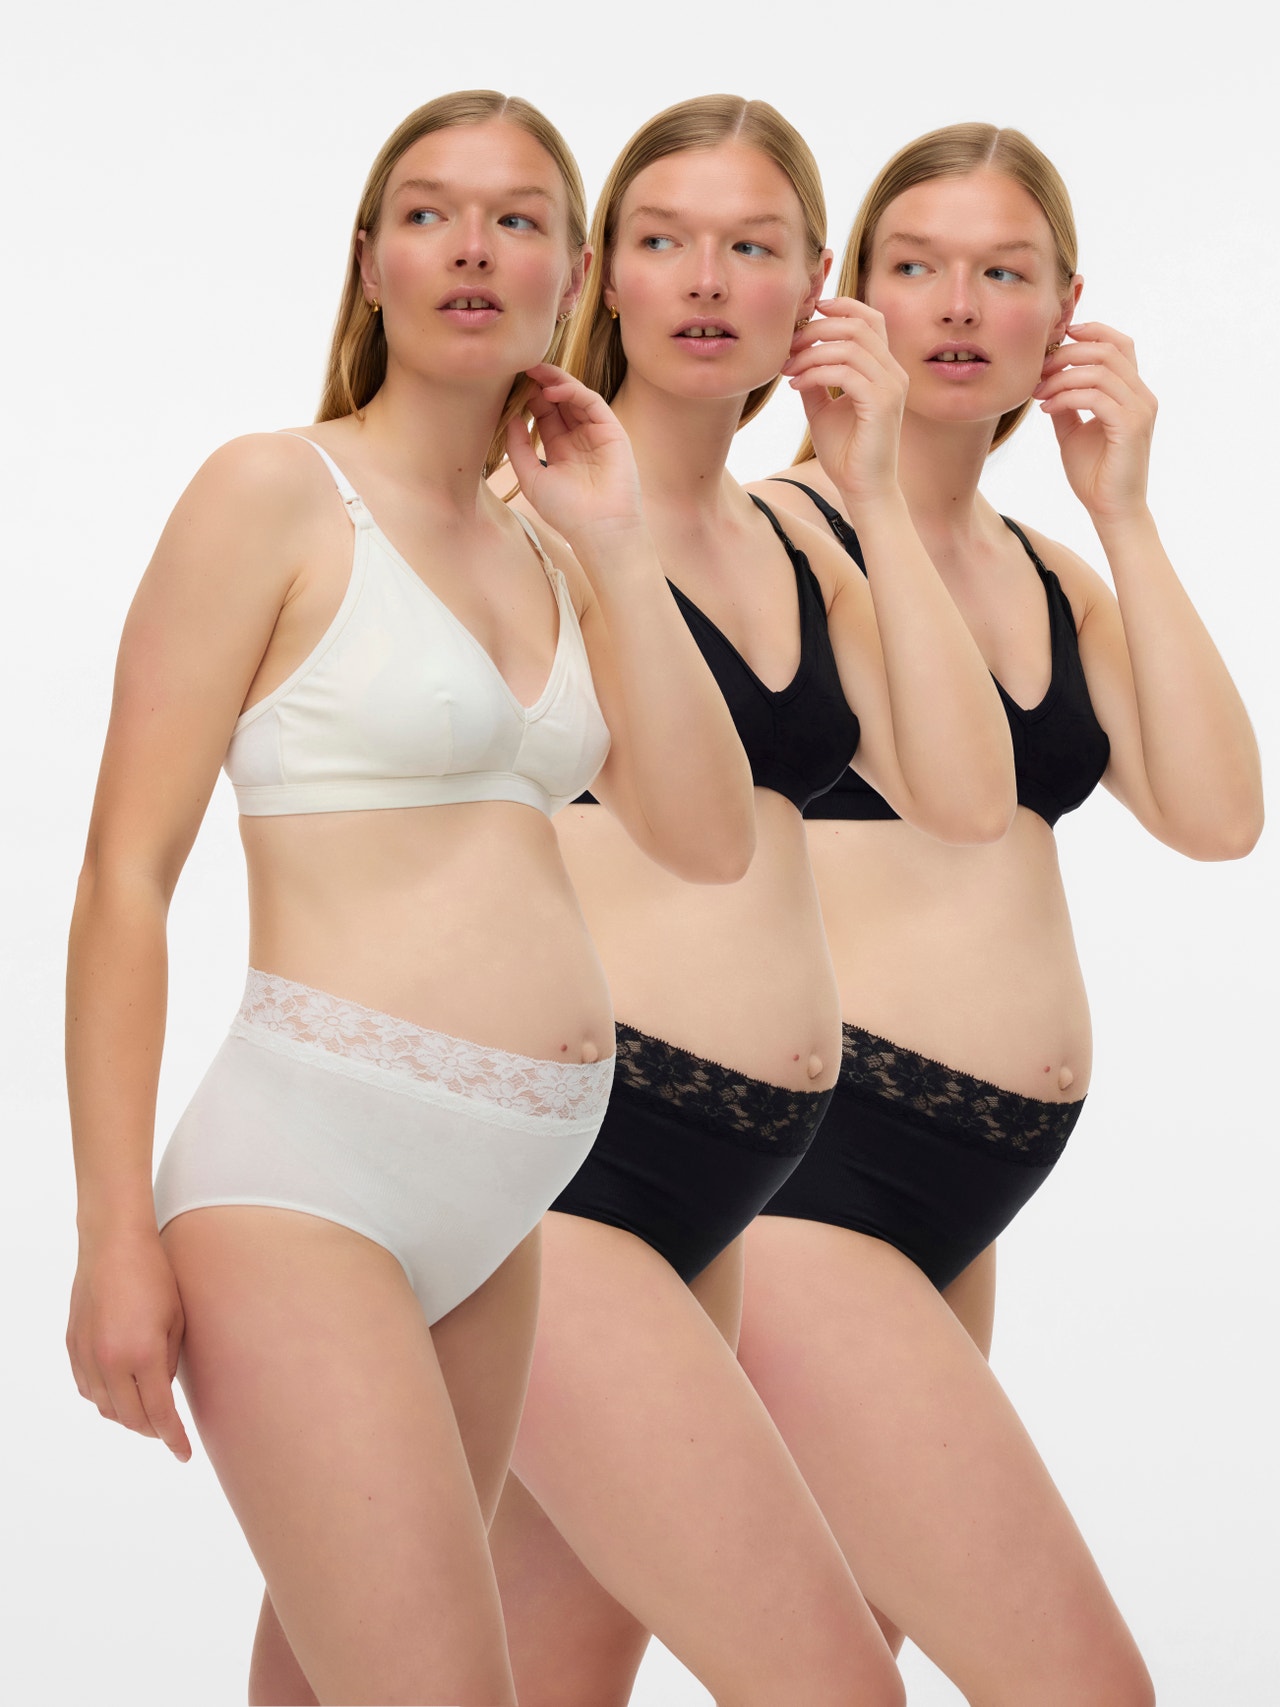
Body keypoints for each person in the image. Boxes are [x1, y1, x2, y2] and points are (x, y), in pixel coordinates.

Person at [64, 89, 758, 1707]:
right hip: (306, 1178)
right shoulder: (272, 491)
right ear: (370, 256)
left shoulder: (553, 544)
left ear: (573, 275)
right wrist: (110, 1236)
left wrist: (617, 541)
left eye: (519, 220)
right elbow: (124, 877)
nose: (472, 248)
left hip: (497, 1209)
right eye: (432, 212)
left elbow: (709, 837)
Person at [487, 96, 1014, 1707]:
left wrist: (873, 483)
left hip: (723, 1190)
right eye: (665, 241)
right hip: (567, 1177)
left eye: (753, 246)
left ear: (816, 287)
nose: (708, 281)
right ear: (605, 276)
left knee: (532, 1682)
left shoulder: (801, 549)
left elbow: (967, 796)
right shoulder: (527, 525)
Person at [739, 121, 1263, 1705]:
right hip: (807, 1181)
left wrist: (1124, 512)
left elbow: (1220, 816)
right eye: (917, 267)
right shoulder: (773, 536)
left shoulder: (1050, 572)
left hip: (957, 1201)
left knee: (847, 1660)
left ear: (1067, 312)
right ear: (847, 295)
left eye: (1005, 272)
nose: (960, 306)